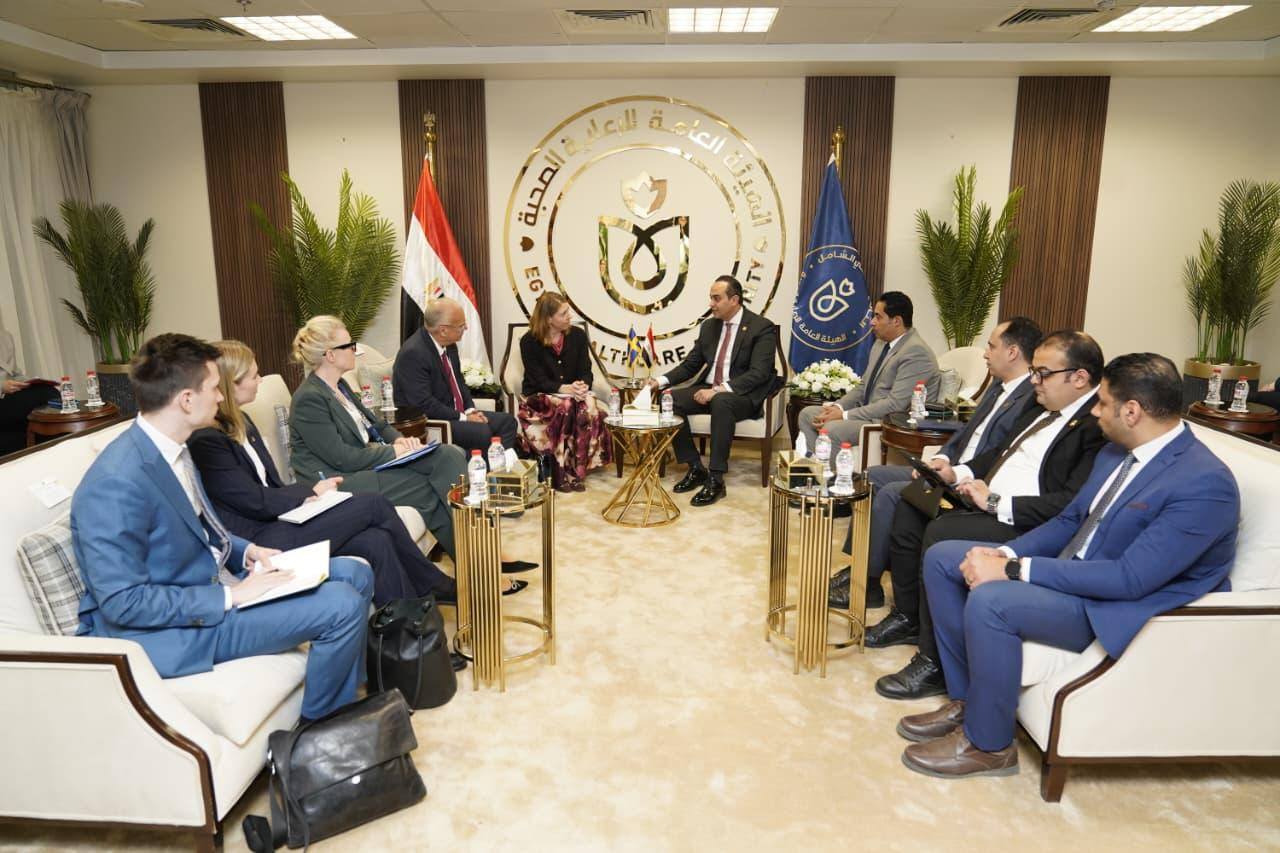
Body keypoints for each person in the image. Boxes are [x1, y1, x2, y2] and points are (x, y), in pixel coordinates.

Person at [899, 353, 1239, 780]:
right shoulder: (1117, 453)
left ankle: (989, 745)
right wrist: (1003, 554)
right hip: (1076, 574)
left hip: (1116, 606)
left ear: (1132, 411)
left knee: (992, 601)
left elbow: (1129, 579)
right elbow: (1069, 521)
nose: (1094, 412)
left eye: (1103, 403)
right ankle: (969, 703)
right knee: (944, 558)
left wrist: (1013, 571)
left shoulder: (1204, 483)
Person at [71, 333, 373, 722]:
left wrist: (246, 551)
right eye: (214, 387)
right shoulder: (116, 481)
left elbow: (196, 527)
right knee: (341, 604)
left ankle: (346, 703)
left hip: (213, 582)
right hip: (171, 630)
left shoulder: (172, 449)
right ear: (186, 400)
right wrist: (232, 596)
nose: (220, 396)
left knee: (355, 572)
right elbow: (123, 602)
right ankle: (319, 734)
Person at [872, 330, 1106, 701]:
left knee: (939, 532)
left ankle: (934, 662)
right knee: (912, 503)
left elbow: (1069, 504)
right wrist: (956, 474)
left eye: (1043, 373)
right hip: (985, 497)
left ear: (1079, 378)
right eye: (1034, 372)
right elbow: (998, 453)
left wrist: (995, 502)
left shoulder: (1096, 427)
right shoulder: (1043, 407)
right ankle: (908, 616)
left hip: (1024, 521)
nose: (1034, 380)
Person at [188, 340, 458, 606]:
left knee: (376, 541)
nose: (260, 380)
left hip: (278, 520)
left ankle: (404, 625)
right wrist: (308, 492)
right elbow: (254, 500)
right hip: (258, 541)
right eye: (254, 376)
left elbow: (271, 486)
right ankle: (433, 584)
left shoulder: (241, 422)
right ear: (230, 383)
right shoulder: (207, 440)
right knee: (374, 504)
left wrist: (304, 502)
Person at [287, 316, 532, 593]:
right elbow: (342, 458)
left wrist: (401, 440)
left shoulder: (340, 386)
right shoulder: (309, 399)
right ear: (330, 355)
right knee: (427, 490)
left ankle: (485, 549)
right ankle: (479, 566)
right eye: (349, 345)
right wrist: (392, 451)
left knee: (449, 455)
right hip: (339, 480)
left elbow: (377, 424)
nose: (355, 350)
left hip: (363, 465)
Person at [828, 317, 1041, 610]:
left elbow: (998, 454)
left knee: (892, 494)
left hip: (970, 483)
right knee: (873, 476)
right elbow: (964, 432)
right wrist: (941, 458)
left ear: (1012, 352)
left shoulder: (1031, 398)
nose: (985, 354)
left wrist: (956, 472)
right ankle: (861, 567)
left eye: (991, 347)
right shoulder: (998, 386)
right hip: (950, 469)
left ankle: (866, 583)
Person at [645, 275, 782, 507]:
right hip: (711, 388)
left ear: (734, 300)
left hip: (742, 395)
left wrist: (719, 390)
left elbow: (759, 373)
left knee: (721, 401)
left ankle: (716, 479)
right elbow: (690, 365)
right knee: (668, 399)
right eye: (711, 298)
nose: (711, 304)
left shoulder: (761, 327)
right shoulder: (709, 326)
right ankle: (695, 467)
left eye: (716, 298)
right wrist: (659, 381)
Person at [796, 291, 940, 464]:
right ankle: (816, 469)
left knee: (832, 428)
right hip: (865, 414)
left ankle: (831, 478)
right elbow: (863, 385)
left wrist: (844, 415)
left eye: (878, 317)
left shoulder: (916, 352)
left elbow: (895, 404)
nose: (872, 322)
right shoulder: (881, 343)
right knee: (807, 414)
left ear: (896, 321)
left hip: (885, 423)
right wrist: (837, 407)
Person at [393, 298, 519, 456]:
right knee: (481, 431)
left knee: (507, 422)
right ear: (443, 330)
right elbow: (423, 404)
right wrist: (464, 418)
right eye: (461, 325)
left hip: (454, 414)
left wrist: (471, 410)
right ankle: (478, 468)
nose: (466, 328)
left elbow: (459, 383)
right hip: (433, 421)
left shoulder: (449, 345)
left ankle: (498, 467)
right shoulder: (413, 353)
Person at [517, 292, 613, 492]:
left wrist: (582, 386)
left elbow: (586, 370)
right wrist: (564, 389)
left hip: (572, 395)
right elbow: (538, 379)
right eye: (563, 313)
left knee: (586, 408)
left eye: (568, 311)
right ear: (548, 319)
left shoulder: (577, 336)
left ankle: (577, 472)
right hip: (539, 397)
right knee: (567, 406)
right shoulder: (529, 341)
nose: (569, 316)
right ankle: (559, 471)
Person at [0, 330, 57, 455]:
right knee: (45, 394)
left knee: (49, 392)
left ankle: (50, 450)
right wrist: (2, 386)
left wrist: (29, 382)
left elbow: (15, 373)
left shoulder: (5, 337)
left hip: (8, 395)